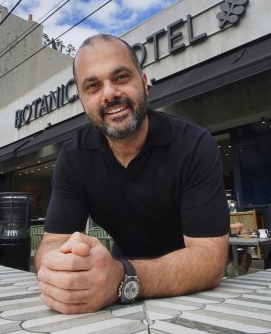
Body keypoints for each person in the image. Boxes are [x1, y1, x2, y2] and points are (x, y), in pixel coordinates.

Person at [36, 34, 230, 314]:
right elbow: (52, 243)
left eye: (121, 77)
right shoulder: (74, 157)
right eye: (92, 86)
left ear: (144, 82)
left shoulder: (194, 144)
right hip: (116, 300)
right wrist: (63, 267)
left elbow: (210, 261)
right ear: (82, 100)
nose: (109, 94)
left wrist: (122, 277)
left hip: (196, 296)